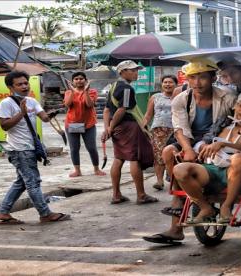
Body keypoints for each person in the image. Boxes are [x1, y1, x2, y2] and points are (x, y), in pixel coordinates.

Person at [144, 58, 236, 244]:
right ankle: (181, 194)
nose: (197, 83)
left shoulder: (227, 96)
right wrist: (187, 149)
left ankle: (179, 214)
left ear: (212, 77)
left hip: (218, 138)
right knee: (168, 151)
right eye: (192, 78)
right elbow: (180, 128)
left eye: (202, 77)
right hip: (190, 136)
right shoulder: (181, 99)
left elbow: (233, 123)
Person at [174, 91, 241, 224]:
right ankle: (205, 208)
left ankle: (226, 206)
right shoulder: (223, 122)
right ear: (235, 106)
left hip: (238, 171)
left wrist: (223, 144)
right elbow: (205, 139)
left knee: (239, 158)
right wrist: (203, 147)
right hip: (212, 167)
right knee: (180, 169)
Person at [0, 71, 71, 224]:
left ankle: (3, 211)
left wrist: (53, 113)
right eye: (19, 84)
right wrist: (21, 113)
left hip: (31, 147)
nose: (24, 86)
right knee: (32, 182)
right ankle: (45, 213)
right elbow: (4, 126)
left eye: (25, 83)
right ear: (11, 87)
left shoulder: (31, 101)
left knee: (22, 182)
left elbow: (44, 118)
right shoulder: (5, 104)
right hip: (19, 149)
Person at [101, 60, 158, 205]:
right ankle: (141, 195)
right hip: (128, 126)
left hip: (118, 128)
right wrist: (110, 127)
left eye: (136, 70)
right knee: (134, 159)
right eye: (132, 70)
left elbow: (107, 110)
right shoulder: (127, 89)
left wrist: (108, 128)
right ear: (122, 72)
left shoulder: (113, 87)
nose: (136, 73)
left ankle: (116, 194)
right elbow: (122, 109)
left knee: (118, 158)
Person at [63, 72, 106, 177]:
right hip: (72, 124)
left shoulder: (92, 91)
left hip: (88, 124)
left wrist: (86, 91)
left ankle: (96, 169)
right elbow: (68, 104)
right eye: (76, 79)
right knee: (74, 148)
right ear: (73, 81)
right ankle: (77, 170)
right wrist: (73, 92)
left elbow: (89, 104)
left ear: (85, 80)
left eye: (81, 78)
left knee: (91, 148)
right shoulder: (68, 92)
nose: (79, 81)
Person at [143, 75, 177, 190]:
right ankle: (159, 181)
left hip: (175, 130)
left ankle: (174, 181)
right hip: (158, 129)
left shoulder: (180, 97)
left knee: (173, 155)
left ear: (175, 84)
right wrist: (144, 125)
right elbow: (148, 114)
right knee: (158, 155)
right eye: (165, 82)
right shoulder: (155, 97)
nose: (167, 84)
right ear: (162, 84)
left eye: (170, 82)